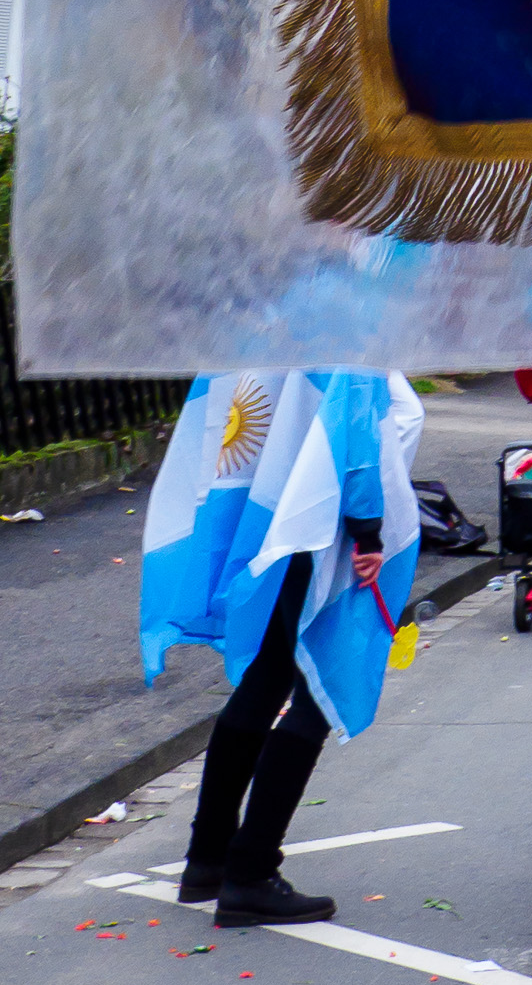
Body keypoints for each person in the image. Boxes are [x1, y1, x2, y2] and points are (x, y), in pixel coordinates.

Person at [142, 369, 423, 928]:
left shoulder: (257, 321)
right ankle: (250, 872)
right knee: (319, 683)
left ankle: (209, 857)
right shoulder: (351, 326)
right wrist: (369, 530)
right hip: (318, 517)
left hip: (259, 504)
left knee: (268, 675)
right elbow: (358, 429)